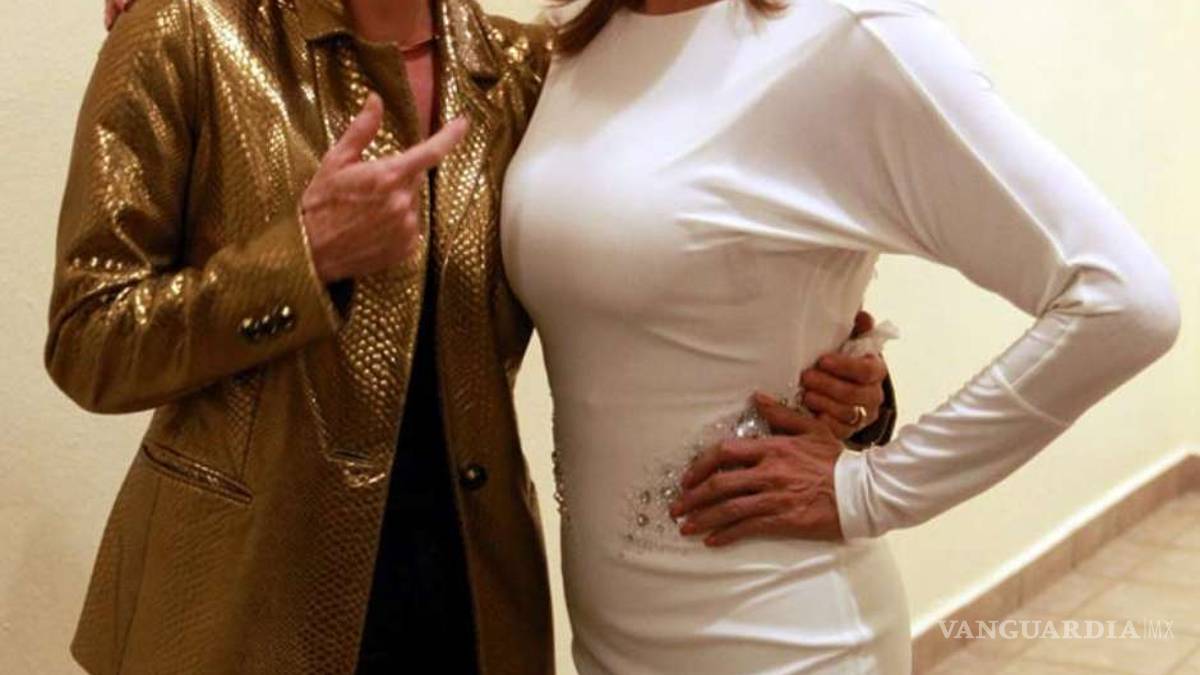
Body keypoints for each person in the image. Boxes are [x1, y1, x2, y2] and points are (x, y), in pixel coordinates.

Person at [58, 0, 895, 672]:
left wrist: (843, 387)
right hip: (241, 601)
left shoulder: (536, 70)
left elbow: (658, 276)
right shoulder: (188, 34)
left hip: (464, 591)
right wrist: (300, 260)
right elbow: (87, 338)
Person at [498, 0, 1181, 672]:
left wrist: (872, 490)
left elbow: (1123, 300)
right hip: (608, 636)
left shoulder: (855, 34)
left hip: (783, 636)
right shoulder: (572, 40)